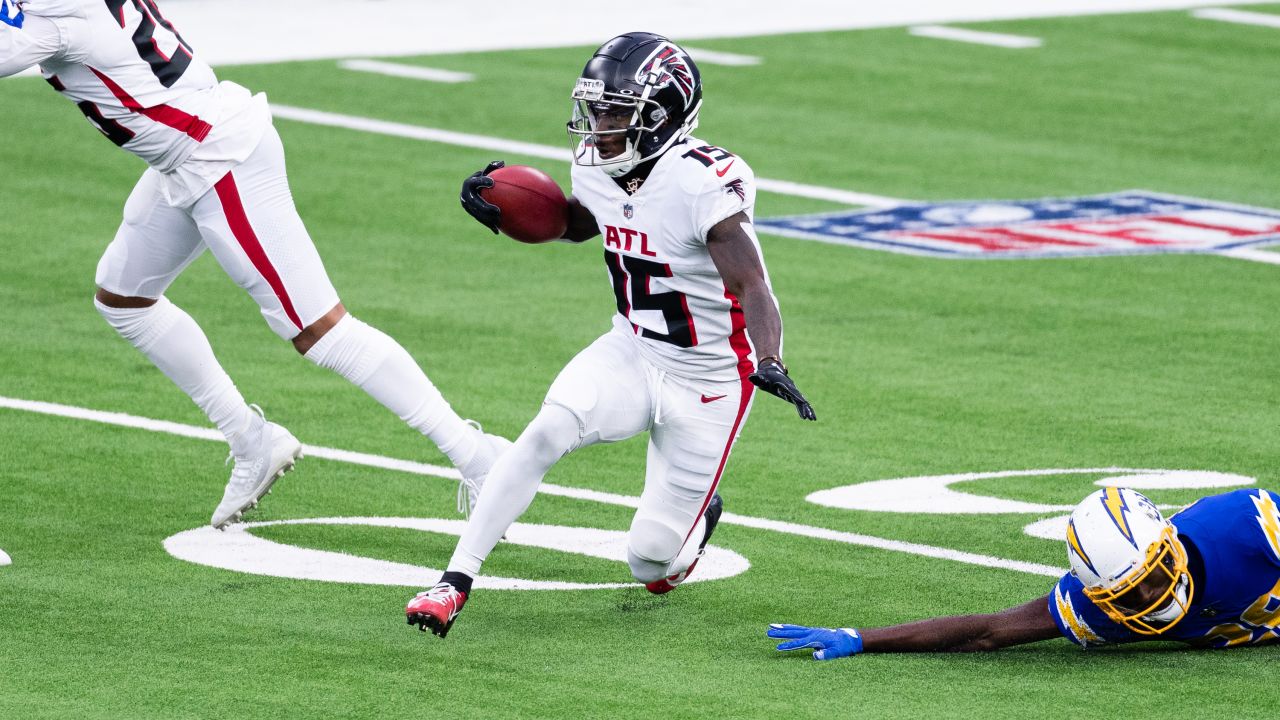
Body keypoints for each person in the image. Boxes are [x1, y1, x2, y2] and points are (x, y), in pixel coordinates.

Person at [0, 0, 508, 528]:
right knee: (124, 299)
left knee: (321, 331)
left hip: (216, 156)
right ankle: (250, 440)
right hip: (189, 149)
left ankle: (477, 456)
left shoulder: (57, 14)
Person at [406, 31, 816, 638]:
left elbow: (753, 283)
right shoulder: (597, 165)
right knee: (547, 428)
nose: (600, 124)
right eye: (596, 109)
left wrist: (772, 357)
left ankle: (693, 530)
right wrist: (510, 205)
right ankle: (453, 582)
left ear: (664, 115)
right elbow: (582, 222)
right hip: (632, 346)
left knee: (651, 561)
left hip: (709, 378)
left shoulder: (704, 181)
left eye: (618, 111)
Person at [767, 486, 1280, 659]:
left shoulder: (1247, 524)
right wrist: (861, 638)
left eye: (1150, 574)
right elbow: (989, 631)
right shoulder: (1097, 609)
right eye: (1127, 594)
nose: (1149, 596)